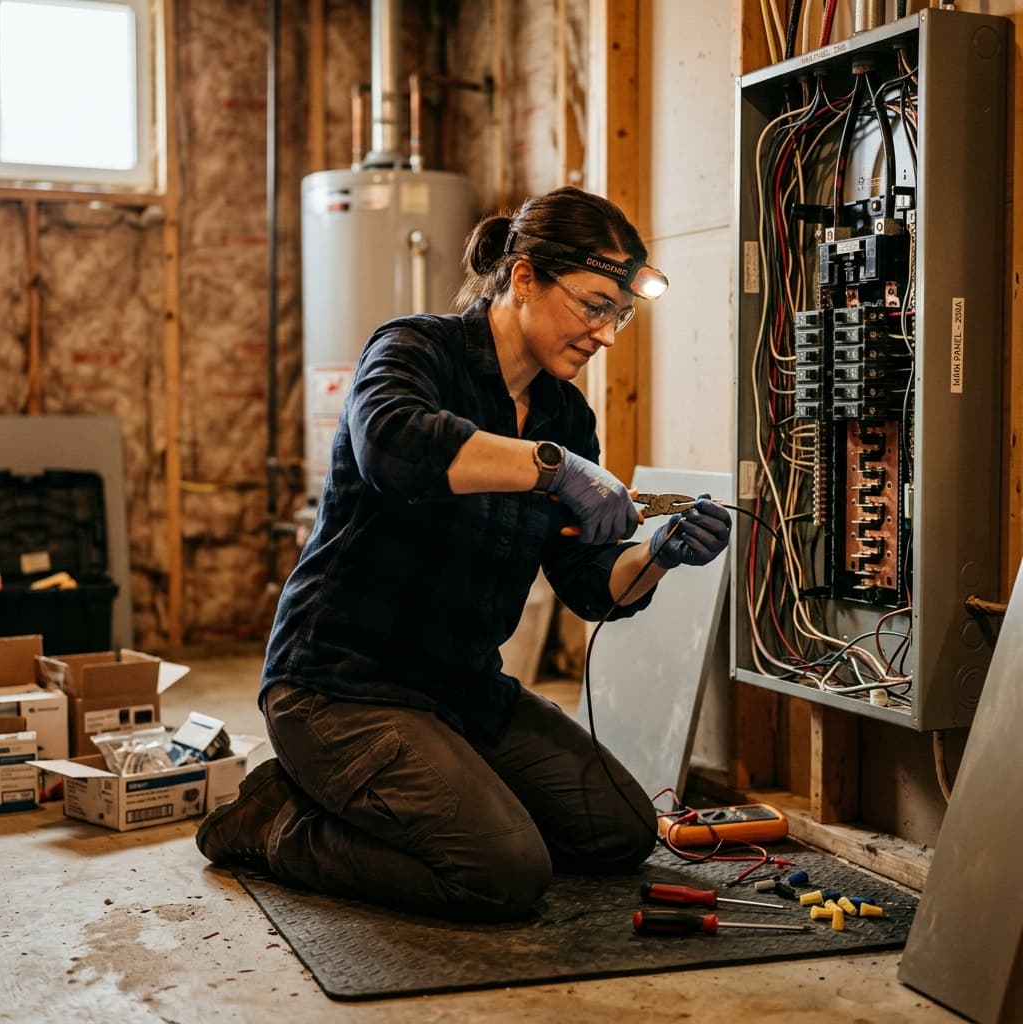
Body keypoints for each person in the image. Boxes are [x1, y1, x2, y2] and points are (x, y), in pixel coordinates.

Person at [196, 186, 731, 922]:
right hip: (340, 687)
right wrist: (555, 467)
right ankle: (278, 821)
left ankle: (435, 790)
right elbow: (392, 444)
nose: (607, 334)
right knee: (503, 875)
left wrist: (661, 556)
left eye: (620, 313)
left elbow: (587, 587)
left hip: (461, 691)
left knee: (623, 831)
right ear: (524, 278)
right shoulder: (416, 348)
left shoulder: (564, 413)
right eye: (593, 304)